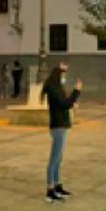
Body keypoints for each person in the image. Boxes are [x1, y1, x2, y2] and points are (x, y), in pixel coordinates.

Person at [42, 63, 82, 203]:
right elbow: (63, 104)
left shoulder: (57, 88)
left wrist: (72, 103)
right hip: (58, 126)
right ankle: (50, 190)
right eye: (63, 75)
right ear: (58, 76)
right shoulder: (53, 89)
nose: (64, 78)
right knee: (54, 159)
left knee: (59, 159)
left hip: (62, 125)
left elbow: (64, 103)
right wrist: (76, 91)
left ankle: (58, 186)